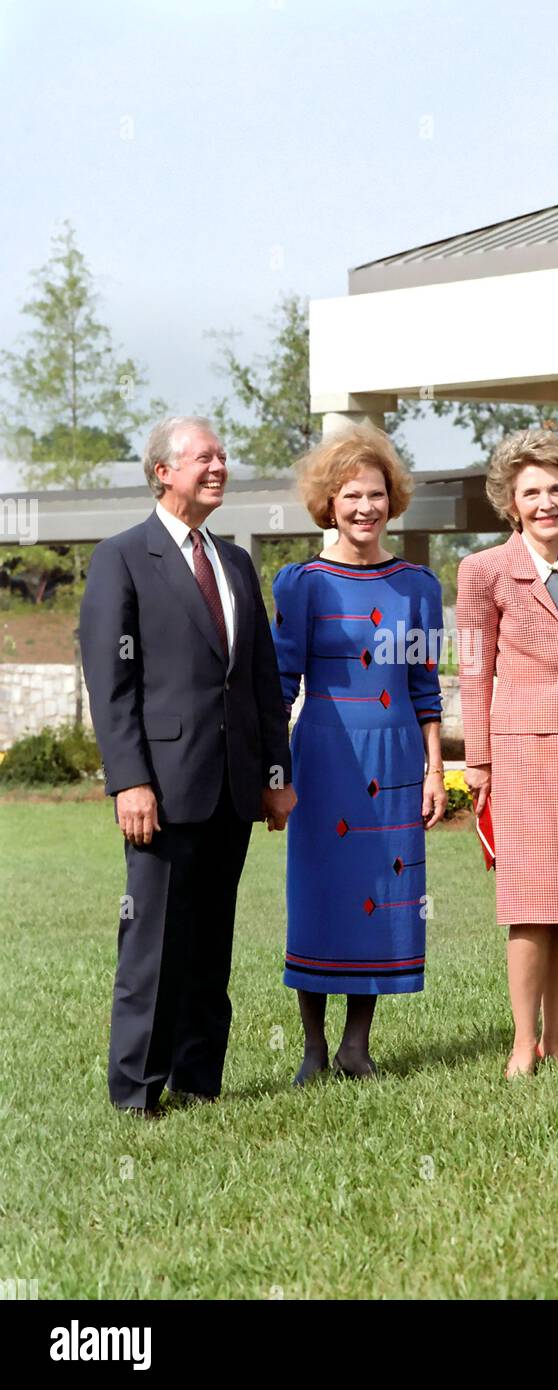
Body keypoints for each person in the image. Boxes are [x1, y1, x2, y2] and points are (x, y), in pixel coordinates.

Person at [80, 416, 295, 1116]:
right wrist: (130, 780)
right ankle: (136, 1092)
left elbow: (260, 676)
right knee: (153, 944)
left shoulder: (234, 563)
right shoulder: (121, 558)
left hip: (233, 788)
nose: (219, 467)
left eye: (224, 457)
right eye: (204, 457)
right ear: (162, 472)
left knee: (210, 944)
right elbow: (110, 687)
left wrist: (275, 774)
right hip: (162, 790)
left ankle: (199, 1083)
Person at [271, 424, 446, 1085]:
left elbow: (426, 688)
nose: (365, 507)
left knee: (382, 891)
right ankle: (313, 1049)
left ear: (391, 499)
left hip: (397, 756)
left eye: (376, 494)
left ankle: (357, 1047)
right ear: (329, 503)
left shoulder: (419, 587)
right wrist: (274, 772)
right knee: (322, 894)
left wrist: (436, 770)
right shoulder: (301, 583)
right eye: (351, 496)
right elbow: (281, 684)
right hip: (323, 756)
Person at [456, 430, 558, 1079]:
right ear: (510, 503)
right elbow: (472, 669)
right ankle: (523, 1043)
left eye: (555, 489)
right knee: (527, 902)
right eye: (531, 492)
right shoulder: (482, 570)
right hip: (518, 749)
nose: (545, 502)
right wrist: (478, 760)